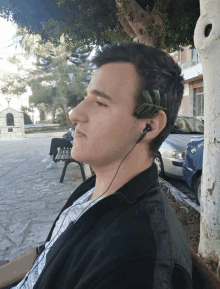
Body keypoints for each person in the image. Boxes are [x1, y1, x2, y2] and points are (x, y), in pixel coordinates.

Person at [0, 42, 193, 289]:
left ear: (149, 126)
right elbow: (46, 253)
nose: (75, 113)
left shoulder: (137, 259)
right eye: (85, 98)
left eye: (101, 103)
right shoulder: (94, 187)